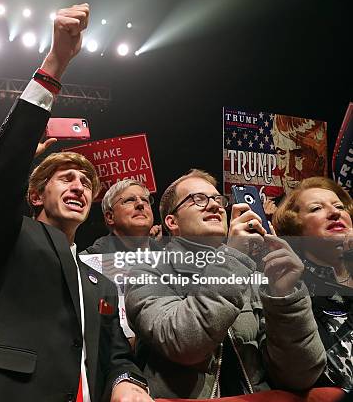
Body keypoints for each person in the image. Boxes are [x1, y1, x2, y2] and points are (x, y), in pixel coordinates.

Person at [0, 4, 152, 402]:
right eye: (66, 178)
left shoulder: (100, 282)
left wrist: (127, 383)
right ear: (34, 195)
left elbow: (117, 356)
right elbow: (2, 175)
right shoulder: (8, 236)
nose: (80, 187)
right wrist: (56, 63)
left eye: (86, 182)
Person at [125, 169, 325, 398]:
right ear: (172, 221)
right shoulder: (145, 272)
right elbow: (183, 342)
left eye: (218, 199)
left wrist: (285, 296)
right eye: (197, 199)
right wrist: (231, 260)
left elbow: (301, 375)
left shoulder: (251, 275)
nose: (215, 206)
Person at [273, 176, 353, 390]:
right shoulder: (290, 286)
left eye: (339, 206)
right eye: (316, 208)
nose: (335, 212)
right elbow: (297, 373)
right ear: (296, 230)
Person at [80, 180, 161, 342]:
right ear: (110, 217)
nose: (140, 204)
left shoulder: (172, 260)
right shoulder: (88, 265)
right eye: (129, 200)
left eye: (145, 200)